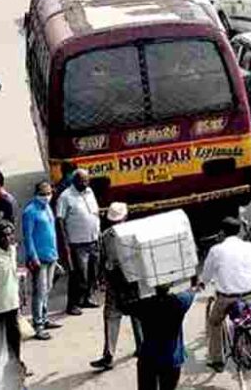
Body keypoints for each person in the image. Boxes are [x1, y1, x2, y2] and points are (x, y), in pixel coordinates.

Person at [200, 217, 251, 372]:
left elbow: (207, 273)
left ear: (222, 232)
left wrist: (202, 283)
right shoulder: (250, 246)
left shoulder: (216, 250)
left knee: (214, 322)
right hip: (249, 293)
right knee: (248, 317)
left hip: (226, 297)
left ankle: (217, 360)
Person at [91, 201, 143, 371]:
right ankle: (142, 346)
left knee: (111, 317)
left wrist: (101, 279)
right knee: (138, 315)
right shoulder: (135, 232)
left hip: (115, 282)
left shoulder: (105, 235)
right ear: (125, 216)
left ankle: (109, 355)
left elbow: (101, 259)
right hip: (134, 280)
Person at [125, 284, 197, 390]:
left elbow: (124, 307)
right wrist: (194, 282)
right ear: (171, 285)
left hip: (149, 359)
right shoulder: (180, 302)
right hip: (171, 361)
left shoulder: (145, 305)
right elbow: (192, 291)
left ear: (153, 286)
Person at [57, 167, 101, 315]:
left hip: (93, 240)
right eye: (83, 181)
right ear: (75, 181)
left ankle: (86, 299)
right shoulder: (65, 197)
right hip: (77, 244)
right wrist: (65, 245)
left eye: (87, 180)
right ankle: (73, 304)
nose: (86, 183)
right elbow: (60, 221)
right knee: (79, 275)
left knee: (92, 273)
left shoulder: (90, 192)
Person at [0, 221, 27, 377]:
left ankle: (15, 372)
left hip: (12, 304)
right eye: (5, 235)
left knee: (14, 343)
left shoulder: (12, 250)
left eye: (11, 234)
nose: (9, 238)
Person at [21, 181, 59, 339]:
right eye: (43, 194)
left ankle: (44, 317)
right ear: (36, 194)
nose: (47, 197)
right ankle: (38, 325)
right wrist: (33, 256)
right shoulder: (30, 212)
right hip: (39, 259)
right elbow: (28, 237)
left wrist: (56, 255)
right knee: (40, 291)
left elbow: (52, 232)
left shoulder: (48, 208)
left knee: (47, 289)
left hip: (51, 255)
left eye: (49, 193)